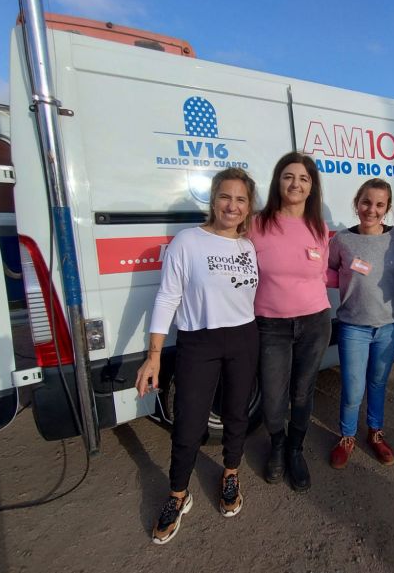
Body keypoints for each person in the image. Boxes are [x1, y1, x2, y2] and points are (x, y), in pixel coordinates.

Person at [135, 167, 259, 545]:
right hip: (198, 342)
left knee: (237, 413)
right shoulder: (188, 241)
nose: (232, 206)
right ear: (213, 199)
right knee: (188, 423)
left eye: (240, 199)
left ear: (249, 206)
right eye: (225, 196)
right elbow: (167, 297)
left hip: (244, 337)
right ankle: (178, 494)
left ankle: (231, 472)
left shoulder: (248, 245)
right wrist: (154, 354)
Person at [249, 152, 332, 493]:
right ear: (277, 181)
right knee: (272, 397)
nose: (295, 184)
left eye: (304, 178)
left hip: (314, 321)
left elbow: (325, 272)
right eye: (288, 176)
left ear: (312, 187)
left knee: (302, 393)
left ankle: (295, 450)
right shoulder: (256, 224)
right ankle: (277, 445)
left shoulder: (319, 228)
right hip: (270, 324)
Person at [326, 178, 394, 469]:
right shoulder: (342, 240)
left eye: (379, 204)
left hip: (389, 327)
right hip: (353, 327)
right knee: (352, 388)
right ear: (356, 203)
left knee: (377, 383)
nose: (371, 210)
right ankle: (347, 437)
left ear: (387, 208)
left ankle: (375, 433)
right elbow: (323, 269)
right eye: (366, 202)